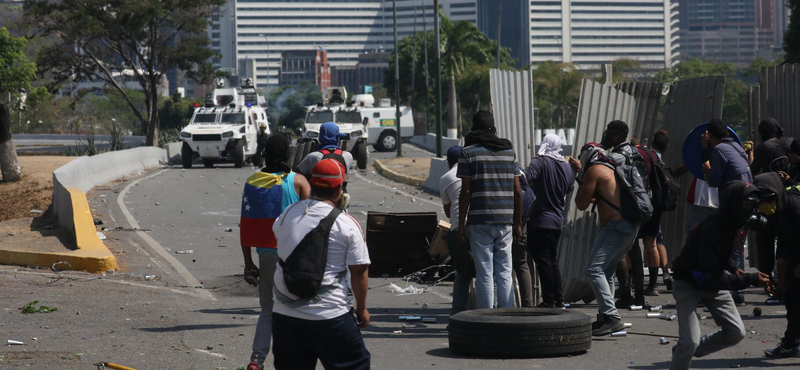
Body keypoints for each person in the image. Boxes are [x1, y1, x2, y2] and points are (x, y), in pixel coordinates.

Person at [271, 159, 371, 370]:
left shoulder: (287, 214)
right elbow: (359, 271)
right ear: (340, 190)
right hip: (330, 316)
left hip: (285, 314)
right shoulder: (347, 224)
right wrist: (362, 309)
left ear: (311, 184)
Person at [669, 181, 771, 370]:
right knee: (689, 341)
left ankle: (685, 351)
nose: (751, 211)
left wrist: (733, 268)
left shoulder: (731, 223)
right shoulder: (711, 228)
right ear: (734, 203)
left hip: (710, 279)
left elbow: (720, 253)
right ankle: (685, 352)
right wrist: (750, 279)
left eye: (753, 205)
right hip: (689, 282)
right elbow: (710, 276)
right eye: (747, 204)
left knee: (735, 332)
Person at [239, 133, 310, 370]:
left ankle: (256, 360)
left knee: (268, 310)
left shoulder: (252, 182)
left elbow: (247, 224)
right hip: (294, 256)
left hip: (266, 255)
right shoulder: (298, 181)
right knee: (299, 310)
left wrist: (249, 264)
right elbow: (312, 220)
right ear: (287, 154)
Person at [569, 120, 641, 336]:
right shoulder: (612, 168)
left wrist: (580, 175)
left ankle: (611, 316)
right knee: (607, 271)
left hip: (615, 227)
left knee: (593, 269)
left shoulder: (594, 171)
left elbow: (581, 204)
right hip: (629, 226)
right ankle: (604, 316)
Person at [457, 111, 524, 310]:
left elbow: (466, 190)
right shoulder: (509, 153)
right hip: (505, 221)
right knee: (505, 270)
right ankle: (507, 316)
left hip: (479, 220)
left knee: (484, 271)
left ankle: (486, 318)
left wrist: (461, 225)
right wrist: (518, 223)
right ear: (493, 128)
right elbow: (518, 192)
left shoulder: (468, 153)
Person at [702, 119, 753, 304]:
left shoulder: (719, 150)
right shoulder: (738, 148)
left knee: (731, 248)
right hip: (748, 202)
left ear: (711, 136)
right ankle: (735, 291)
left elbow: (715, 180)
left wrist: (707, 169)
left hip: (734, 206)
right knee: (736, 248)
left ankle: (734, 292)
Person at [522, 133, 574, 308]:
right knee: (552, 260)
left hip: (540, 220)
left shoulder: (540, 161)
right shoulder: (566, 167)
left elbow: (526, 177)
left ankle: (549, 300)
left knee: (543, 261)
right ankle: (559, 299)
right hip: (557, 221)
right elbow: (570, 187)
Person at [755, 172, 800, 357]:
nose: (766, 204)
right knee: (791, 297)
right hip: (793, 253)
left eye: (769, 199)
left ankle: (790, 343)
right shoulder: (774, 214)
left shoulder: (795, 206)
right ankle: (792, 343)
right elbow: (774, 247)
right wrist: (777, 281)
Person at [751, 118, 787, 281]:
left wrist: (749, 154)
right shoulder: (787, 143)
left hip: (768, 200)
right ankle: (784, 280)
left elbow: (753, 172)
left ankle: (768, 280)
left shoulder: (763, 148)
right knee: (786, 241)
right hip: (787, 200)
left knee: (765, 240)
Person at [439, 146, 473, 315]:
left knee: (462, 273)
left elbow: (447, 212)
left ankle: (458, 313)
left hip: (458, 229)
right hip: (479, 225)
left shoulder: (446, 178)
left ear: (449, 162)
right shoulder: (476, 172)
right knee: (486, 272)